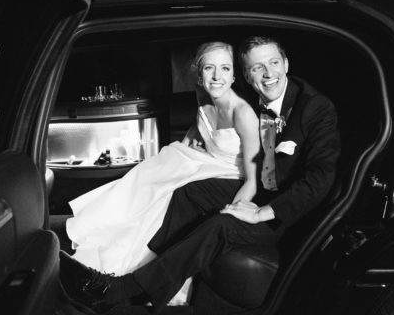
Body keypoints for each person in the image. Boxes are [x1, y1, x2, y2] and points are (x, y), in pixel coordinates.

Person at [60, 36, 341, 314]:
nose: (268, 74)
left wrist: (260, 213)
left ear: (286, 64)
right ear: (246, 75)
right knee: (187, 192)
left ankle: (121, 291)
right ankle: (147, 271)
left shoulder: (314, 107)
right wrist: (198, 140)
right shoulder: (252, 95)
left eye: (274, 63)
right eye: (258, 67)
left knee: (221, 224)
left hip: (286, 213)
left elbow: (320, 180)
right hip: (262, 185)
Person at [61, 41, 260, 305]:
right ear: (199, 74)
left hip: (236, 178)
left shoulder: (244, 114)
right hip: (209, 163)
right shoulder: (203, 96)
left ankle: (137, 277)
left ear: (234, 75)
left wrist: (233, 212)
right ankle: (124, 259)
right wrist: (188, 144)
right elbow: (200, 125)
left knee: (180, 191)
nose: (217, 76)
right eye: (209, 68)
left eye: (225, 68)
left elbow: (253, 181)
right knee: (151, 174)